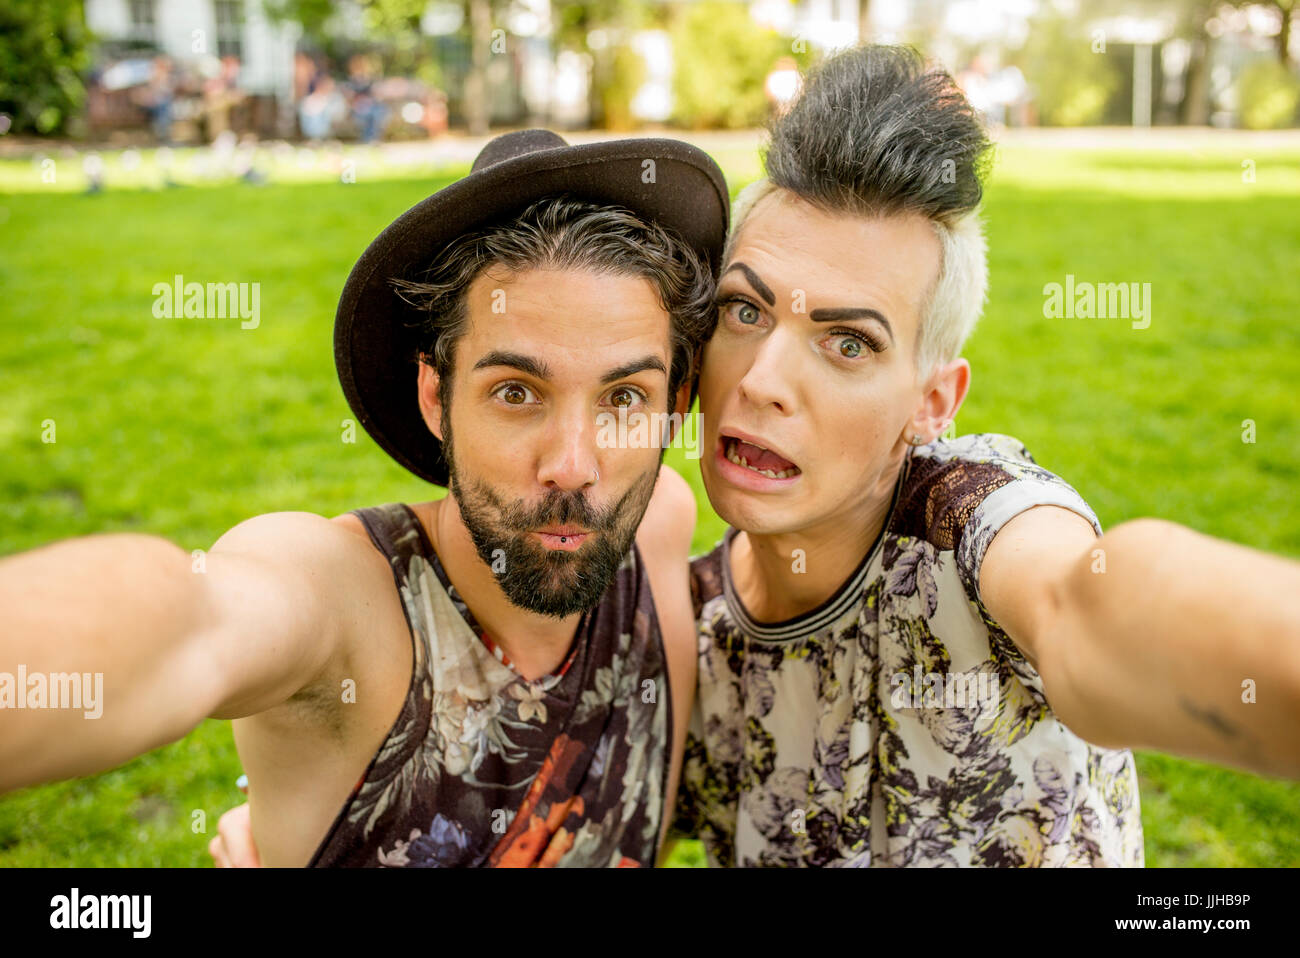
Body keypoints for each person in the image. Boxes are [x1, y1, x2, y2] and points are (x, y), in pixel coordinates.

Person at [212, 45, 1300, 869]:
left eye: (847, 341)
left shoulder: (978, 522)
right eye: (745, 311)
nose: (770, 378)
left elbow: (1099, 605)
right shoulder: (684, 628)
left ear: (932, 400)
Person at [0, 130, 730, 867]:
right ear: (436, 397)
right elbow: (191, 619)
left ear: (676, 403)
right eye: (516, 392)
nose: (573, 466)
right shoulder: (349, 613)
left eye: (623, 398)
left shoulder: (657, 530)